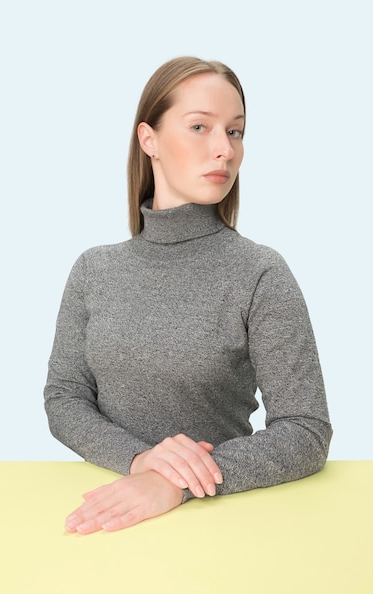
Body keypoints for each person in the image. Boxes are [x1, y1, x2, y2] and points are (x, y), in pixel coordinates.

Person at [44, 56, 332, 535]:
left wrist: (176, 484)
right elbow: (65, 398)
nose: (224, 149)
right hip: (100, 511)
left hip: (221, 525)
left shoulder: (260, 272)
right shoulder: (93, 269)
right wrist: (139, 461)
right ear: (148, 139)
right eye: (200, 126)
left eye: (235, 132)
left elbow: (306, 430)